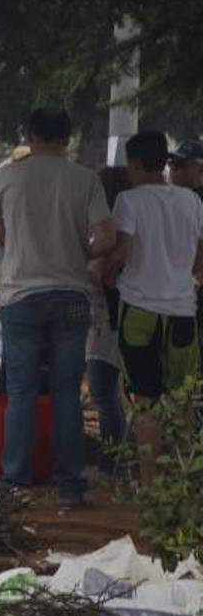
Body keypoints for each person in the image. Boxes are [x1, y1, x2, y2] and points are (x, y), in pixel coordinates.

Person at [0, 108, 116, 506]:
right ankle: (71, 485)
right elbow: (107, 238)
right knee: (66, 393)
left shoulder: (8, 176)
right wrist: (80, 252)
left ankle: (15, 480)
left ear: (28, 134)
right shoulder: (85, 178)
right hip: (71, 297)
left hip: (21, 297)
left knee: (21, 393)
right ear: (67, 137)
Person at [103, 131, 203, 485]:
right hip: (183, 311)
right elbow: (200, 257)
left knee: (146, 401)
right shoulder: (192, 201)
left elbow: (121, 252)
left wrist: (106, 274)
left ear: (134, 164)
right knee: (182, 399)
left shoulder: (128, 201)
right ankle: (185, 482)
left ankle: (150, 487)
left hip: (139, 311)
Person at [88, 166, 131, 466]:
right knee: (113, 393)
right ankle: (119, 459)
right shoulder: (132, 226)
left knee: (103, 392)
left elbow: (99, 274)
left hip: (105, 320)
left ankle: (112, 462)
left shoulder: (109, 231)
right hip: (126, 315)